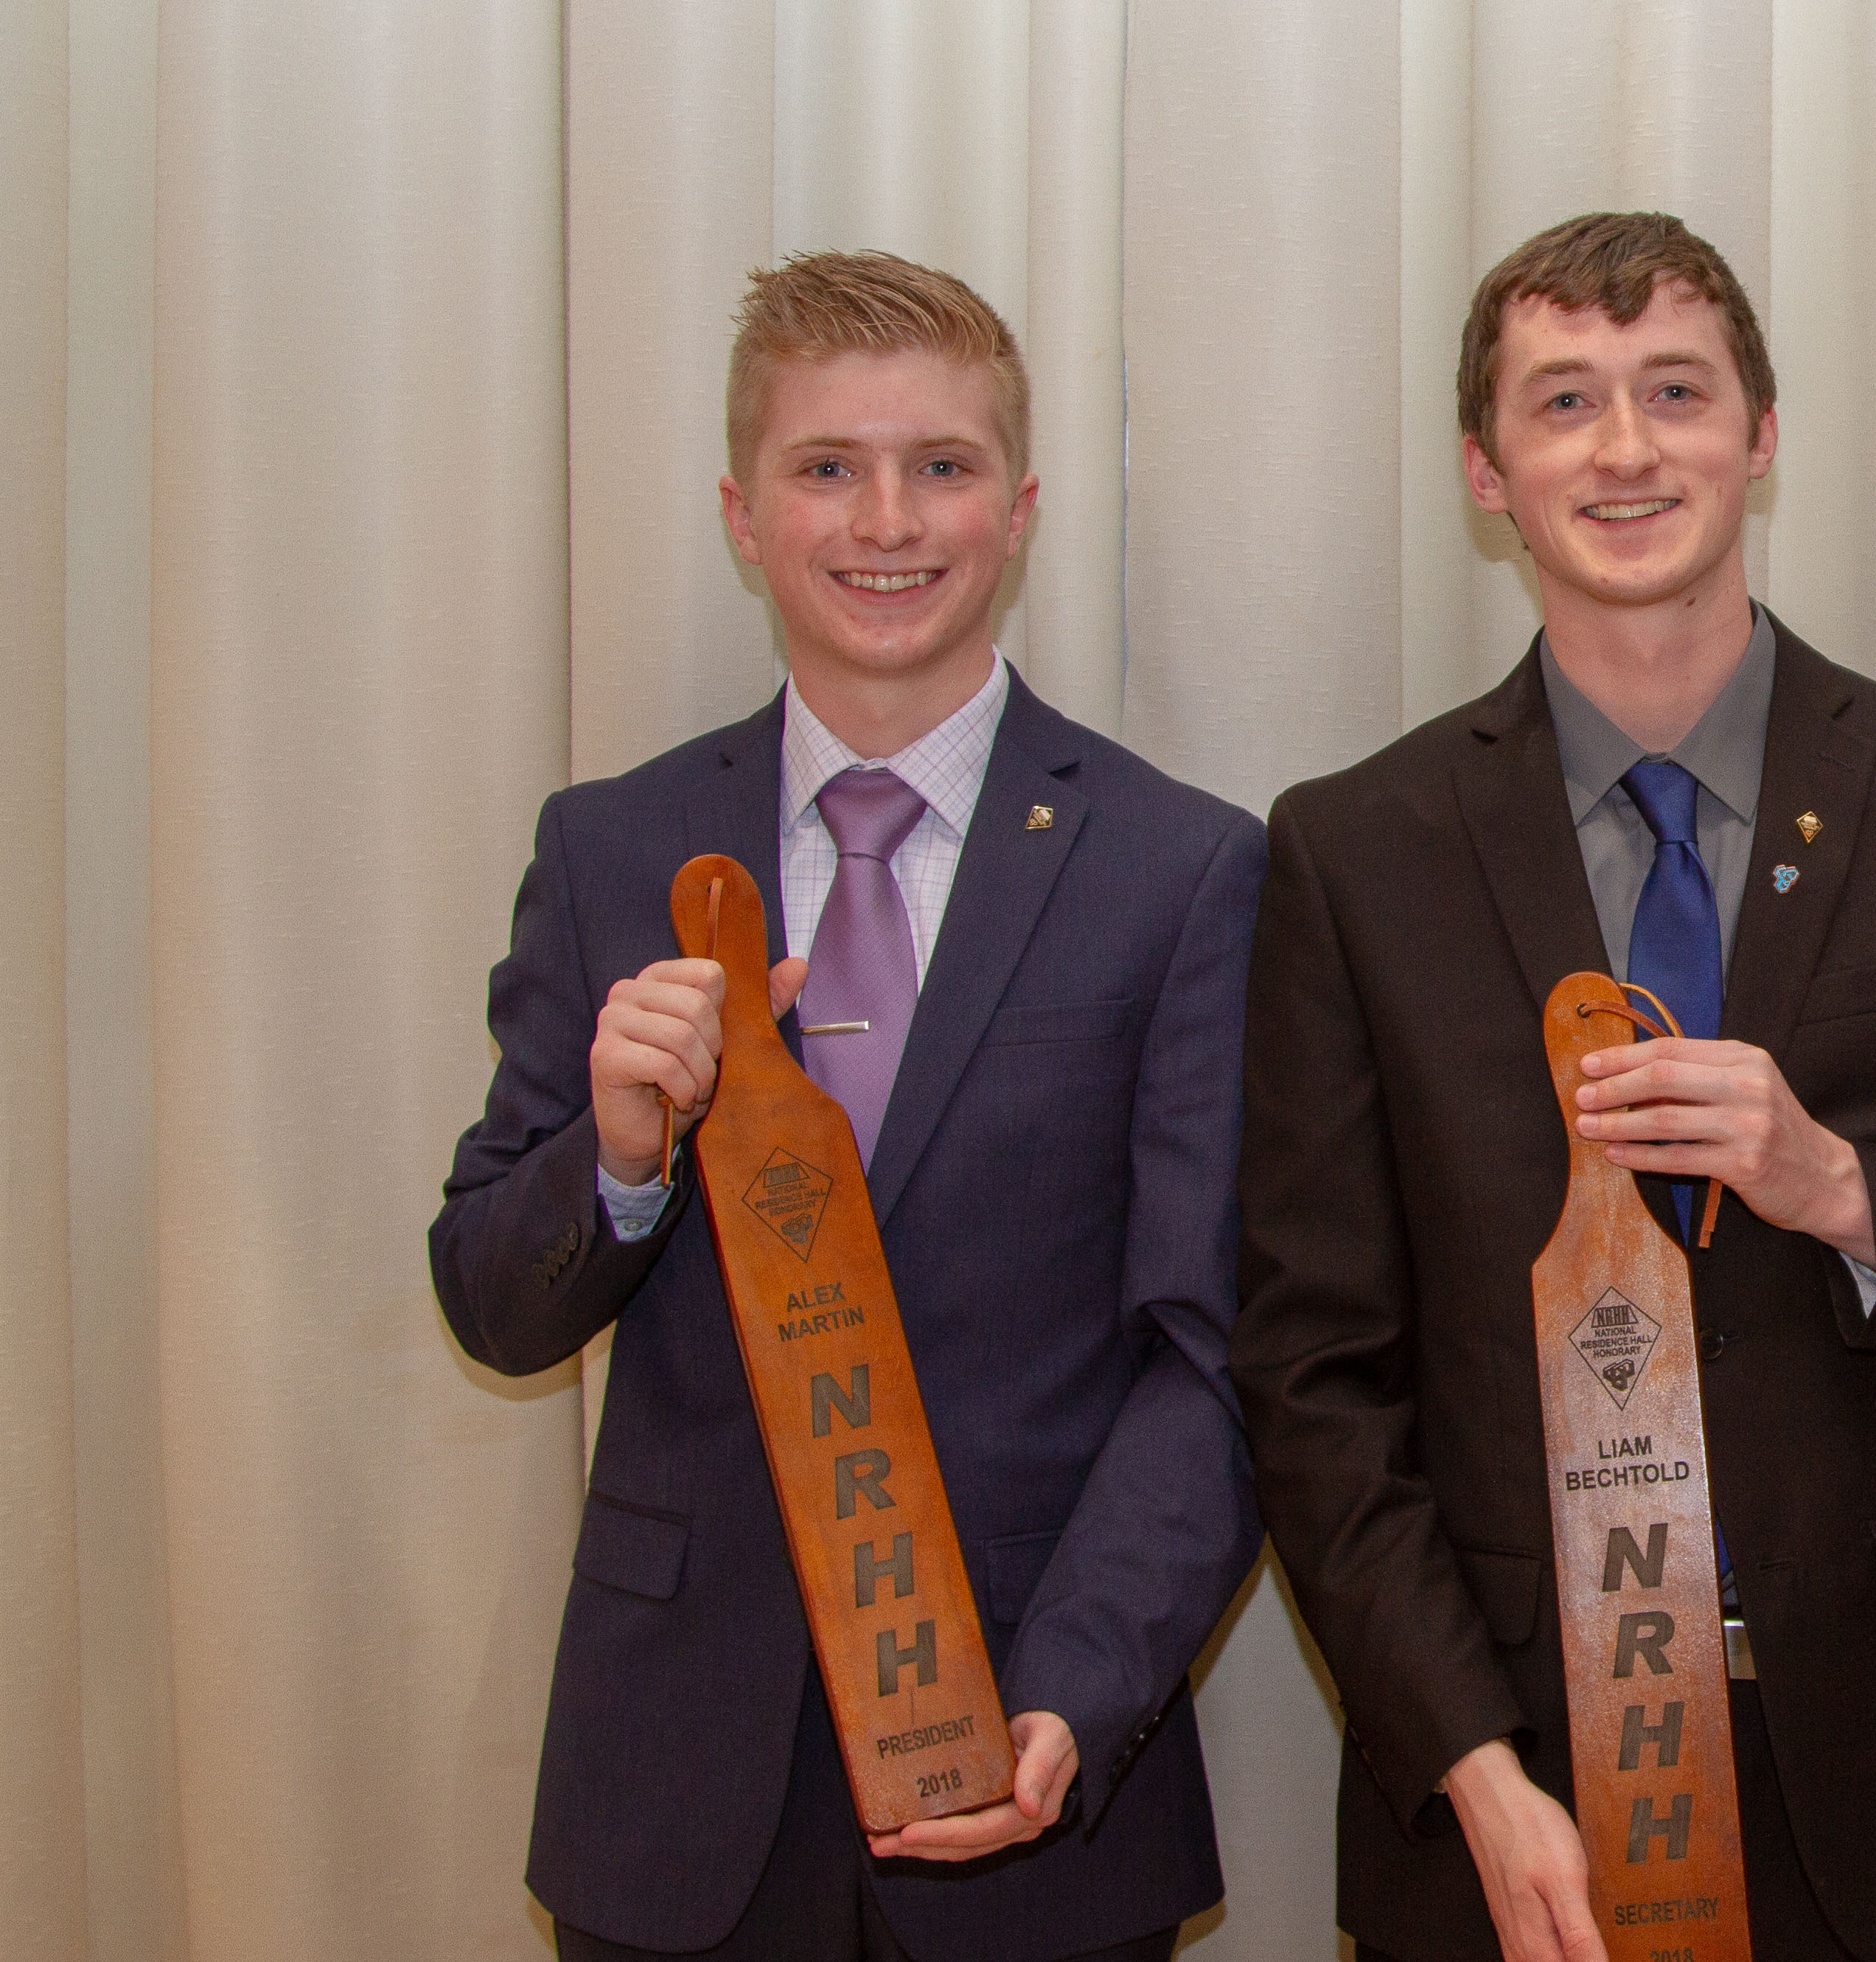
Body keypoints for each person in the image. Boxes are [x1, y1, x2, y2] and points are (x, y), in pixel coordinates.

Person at [1229, 211, 1876, 1962]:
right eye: (1563, 402)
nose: (1624, 448)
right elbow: (1314, 1377)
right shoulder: (1348, 851)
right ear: (1484, 471)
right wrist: (1467, 1760)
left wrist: (1843, 1185)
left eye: (1675, 390)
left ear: (1759, 435)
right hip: (1513, 1790)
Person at [430, 251, 1263, 1962]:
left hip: (1036, 1789)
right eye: (827, 467)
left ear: (1018, 508)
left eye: (942, 465)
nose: (888, 517)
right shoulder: (610, 848)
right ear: (743, 514)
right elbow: (489, 1302)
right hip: (676, 1801)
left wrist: (1078, 1689)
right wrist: (621, 1155)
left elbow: (1215, 1352)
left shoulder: (1182, 869)